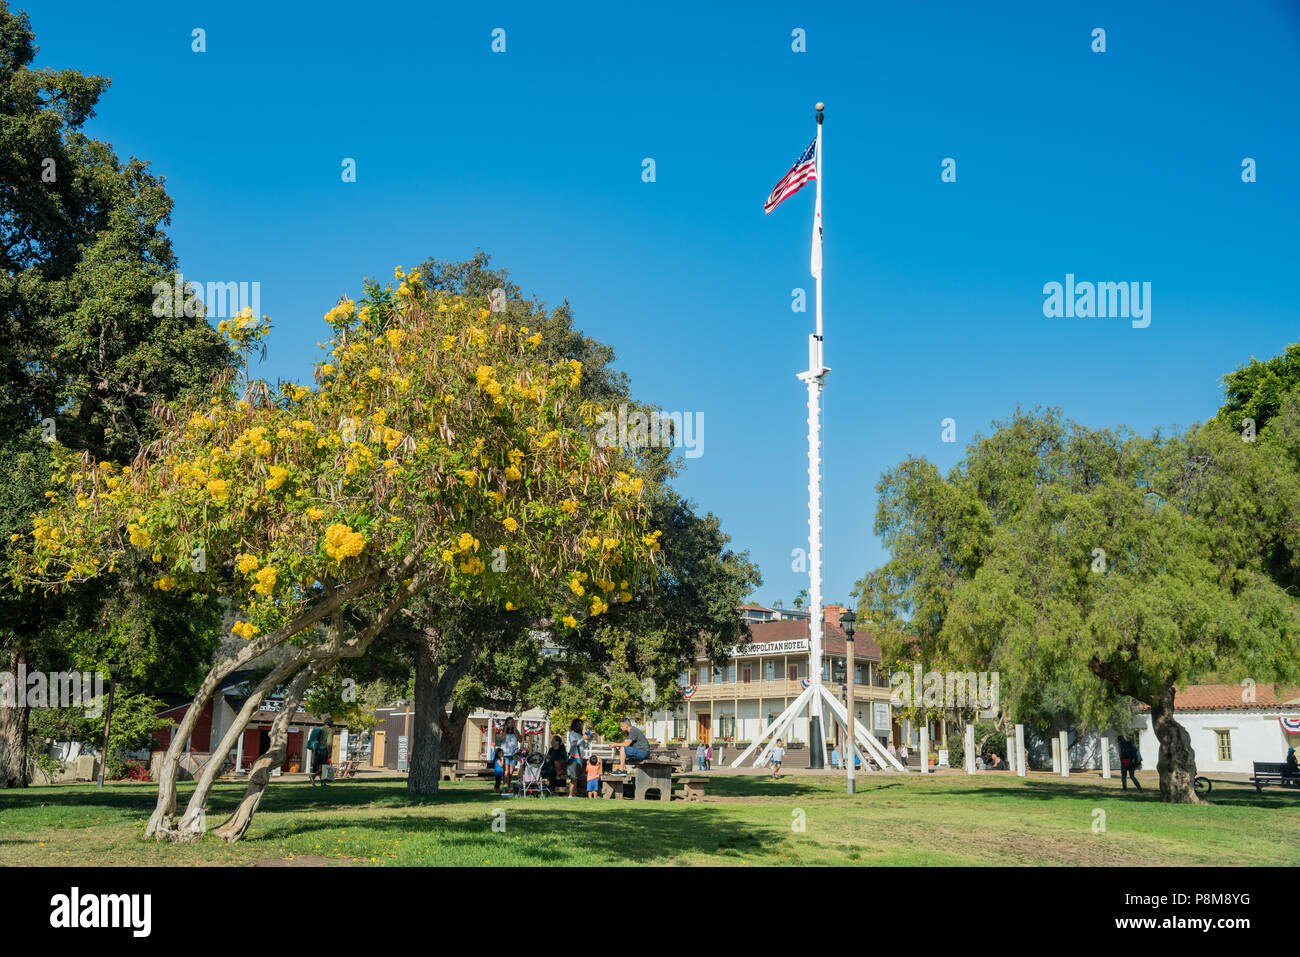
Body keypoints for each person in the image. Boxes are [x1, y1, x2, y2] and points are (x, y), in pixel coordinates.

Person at [306, 716, 333, 787]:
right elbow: (329, 742)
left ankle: (321, 782)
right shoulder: (329, 730)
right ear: (330, 724)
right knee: (323, 766)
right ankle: (314, 777)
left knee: (317, 766)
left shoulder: (319, 729)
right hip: (324, 750)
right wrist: (330, 752)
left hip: (316, 750)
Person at [500, 717, 522, 795]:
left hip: (513, 754)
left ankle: (508, 787)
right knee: (506, 771)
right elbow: (502, 740)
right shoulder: (502, 732)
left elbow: (520, 740)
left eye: (512, 722)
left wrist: (515, 731)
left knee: (511, 772)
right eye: (509, 722)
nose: (511, 724)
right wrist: (505, 730)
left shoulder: (516, 731)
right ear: (506, 724)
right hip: (505, 754)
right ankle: (506, 787)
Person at [565, 719, 587, 798]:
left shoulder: (580, 735)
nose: (581, 726)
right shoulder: (572, 734)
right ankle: (570, 794)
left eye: (582, 724)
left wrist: (590, 738)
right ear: (575, 725)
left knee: (576, 777)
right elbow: (574, 744)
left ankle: (573, 794)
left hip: (580, 757)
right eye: (580, 724)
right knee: (573, 777)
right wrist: (582, 739)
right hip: (574, 757)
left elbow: (584, 746)